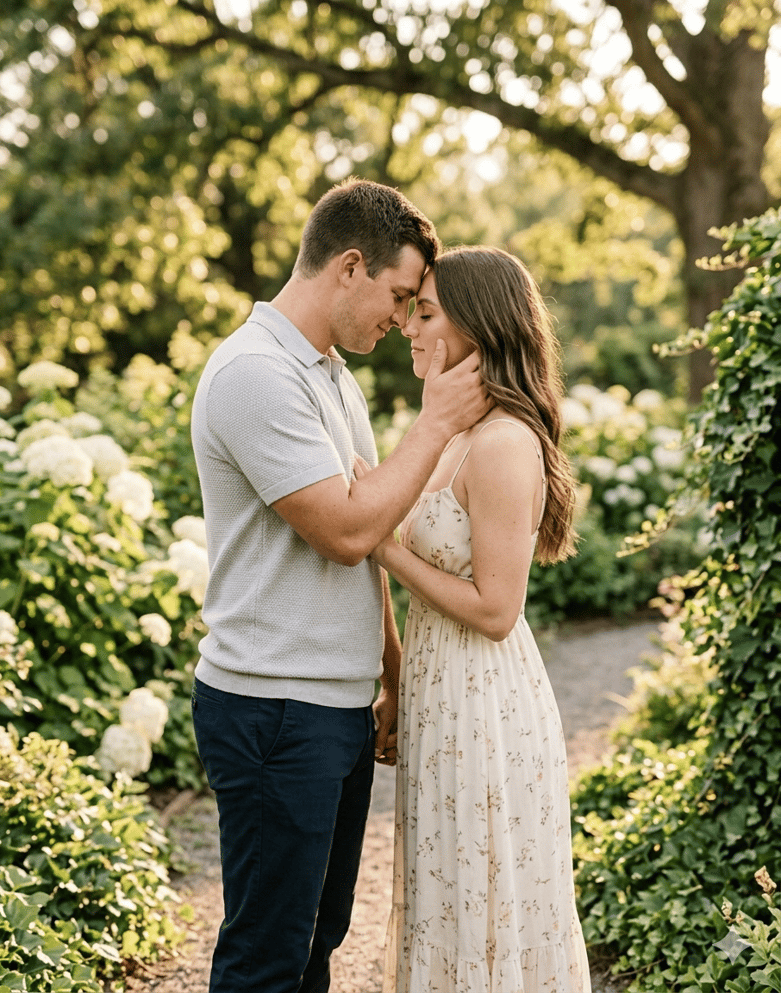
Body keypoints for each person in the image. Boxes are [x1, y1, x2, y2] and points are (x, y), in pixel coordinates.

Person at [189, 179, 491, 993]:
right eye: (398, 296)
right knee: (267, 954)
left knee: (318, 937)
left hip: (332, 706)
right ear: (349, 266)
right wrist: (434, 424)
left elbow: (371, 544)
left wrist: (390, 680)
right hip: (274, 708)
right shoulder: (254, 374)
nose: (401, 320)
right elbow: (349, 528)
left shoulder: (329, 374)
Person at [360, 246, 592, 992]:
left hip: (485, 701)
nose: (410, 327)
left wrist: (385, 550)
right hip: (441, 692)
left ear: (478, 324)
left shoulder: (501, 444)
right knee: (448, 891)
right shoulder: (456, 432)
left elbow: (497, 610)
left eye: (425, 312)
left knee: (482, 893)